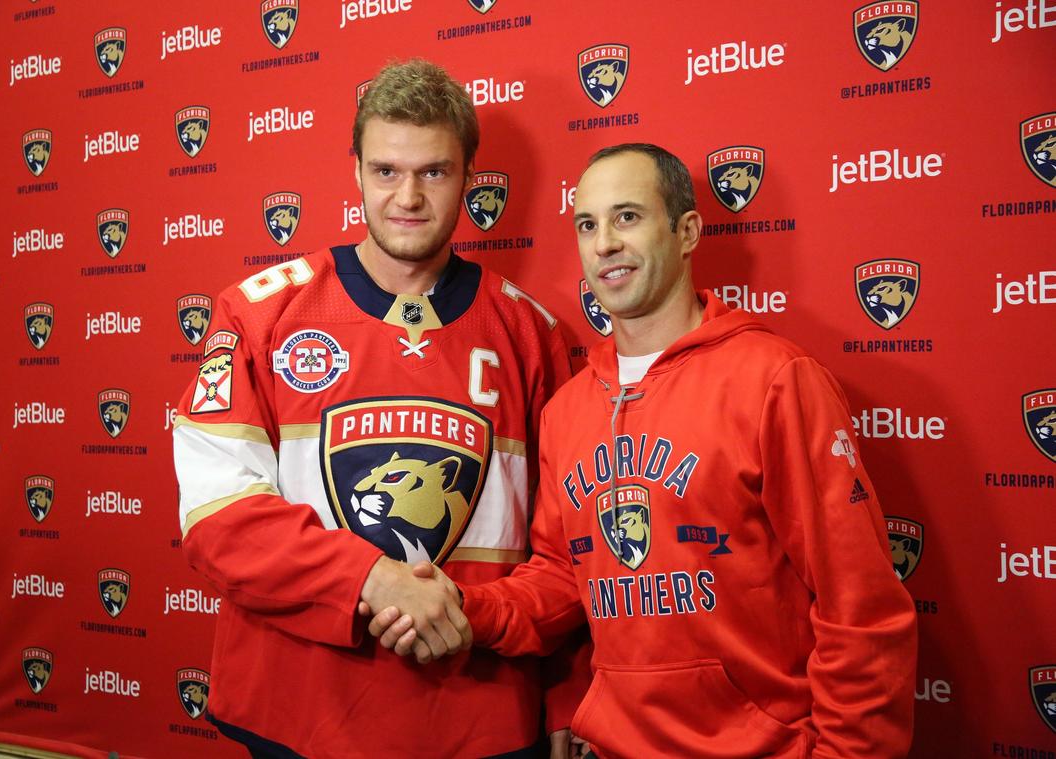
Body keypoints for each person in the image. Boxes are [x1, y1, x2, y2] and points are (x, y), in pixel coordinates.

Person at [370, 143, 918, 758]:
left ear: (686, 232)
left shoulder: (774, 380)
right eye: (587, 224)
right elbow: (559, 578)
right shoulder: (569, 410)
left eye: (627, 217)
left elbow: (861, 610)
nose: (604, 243)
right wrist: (463, 608)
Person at [172, 59, 584, 758]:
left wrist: (569, 698)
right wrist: (372, 576)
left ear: (469, 177)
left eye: (434, 172)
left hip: (477, 716)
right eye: (387, 170)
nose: (409, 196)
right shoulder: (258, 313)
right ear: (357, 170)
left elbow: (571, 553)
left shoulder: (533, 336)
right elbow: (219, 518)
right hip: (299, 711)